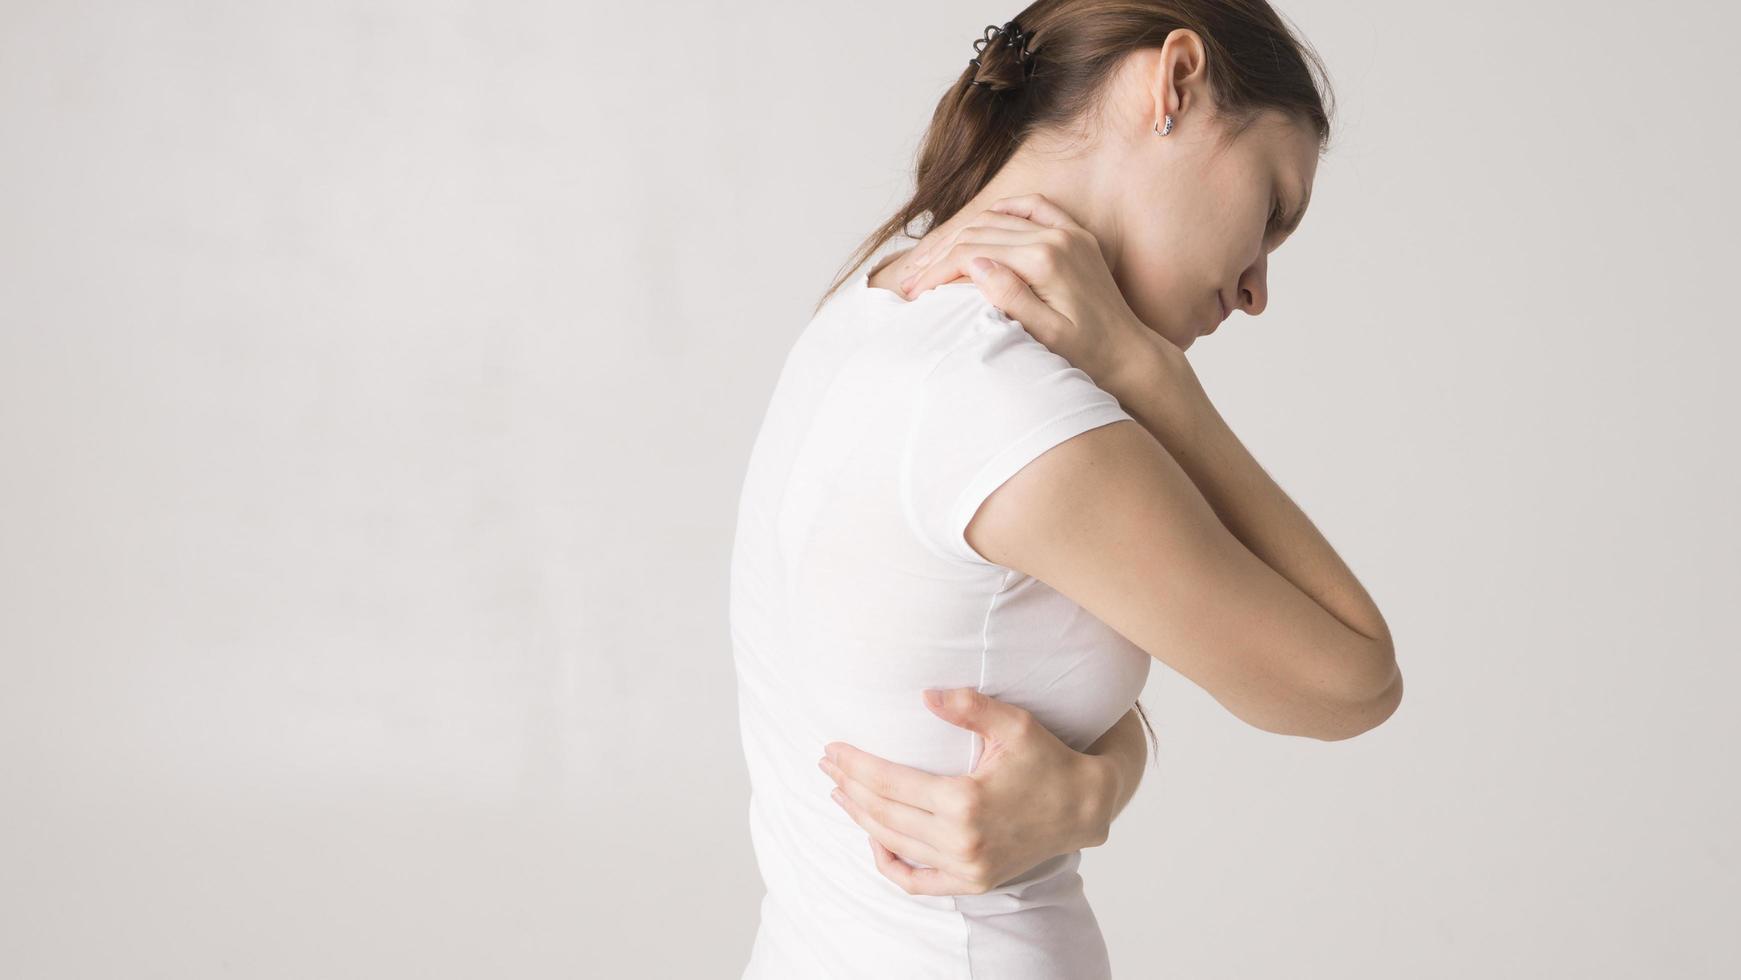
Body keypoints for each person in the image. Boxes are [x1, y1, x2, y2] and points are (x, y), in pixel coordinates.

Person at [730, 3, 1403, 977]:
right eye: (1269, 209)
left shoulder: (873, 312)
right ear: (1173, 82)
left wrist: (1095, 788)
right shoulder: (996, 401)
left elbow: (999, 696)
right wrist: (1152, 376)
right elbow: (1354, 681)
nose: (1256, 288)